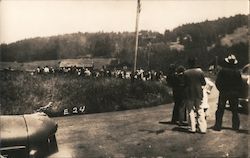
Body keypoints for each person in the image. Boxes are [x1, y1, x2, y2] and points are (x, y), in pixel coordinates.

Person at [213, 54, 243, 131]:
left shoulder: (223, 71)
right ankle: (235, 126)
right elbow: (240, 84)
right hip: (234, 93)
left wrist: (221, 89)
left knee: (220, 109)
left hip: (224, 92)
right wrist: (238, 91)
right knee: (235, 110)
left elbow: (218, 82)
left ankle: (218, 125)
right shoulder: (237, 72)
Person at [184, 58, 206, 133]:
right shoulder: (200, 71)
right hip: (199, 92)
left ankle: (192, 127)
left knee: (190, 110)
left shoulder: (186, 72)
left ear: (189, 63)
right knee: (200, 109)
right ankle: (202, 128)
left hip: (189, 93)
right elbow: (204, 83)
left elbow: (184, 84)